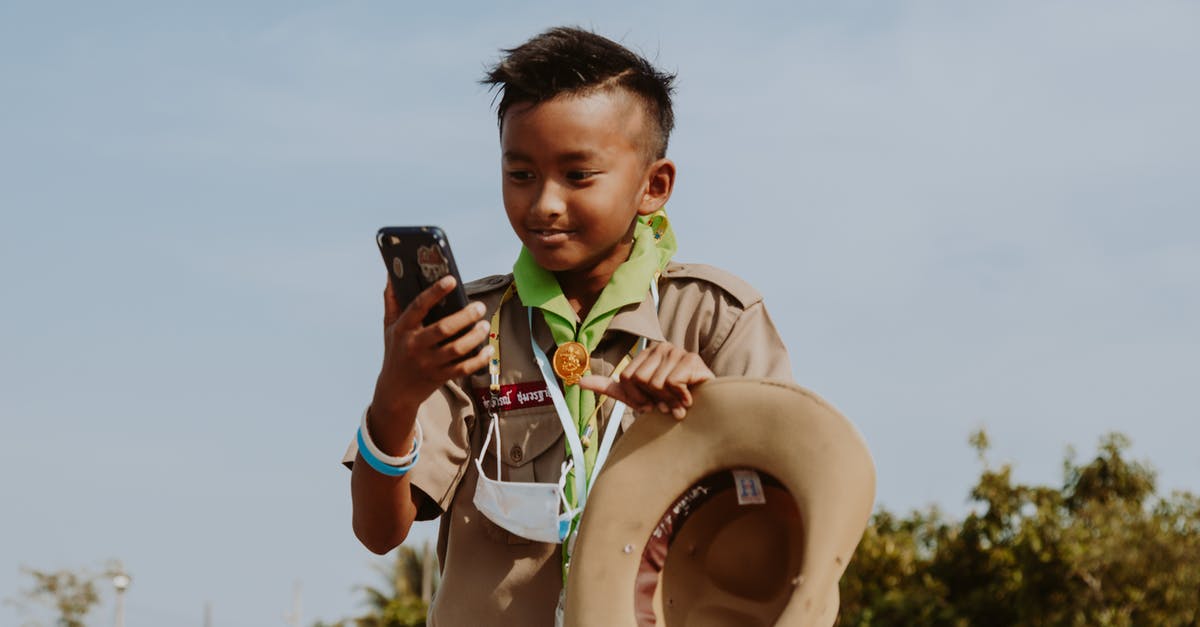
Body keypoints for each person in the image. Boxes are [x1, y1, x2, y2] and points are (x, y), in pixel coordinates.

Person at [344, 26, 792, 626]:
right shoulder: (473, 327)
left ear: (653, 186)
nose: (544, 203)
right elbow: (378, 532)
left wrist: (707, 418)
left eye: (578, 176)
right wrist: (395, 397)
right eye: (521, 174)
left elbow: (792, 529)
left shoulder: (715, 319)